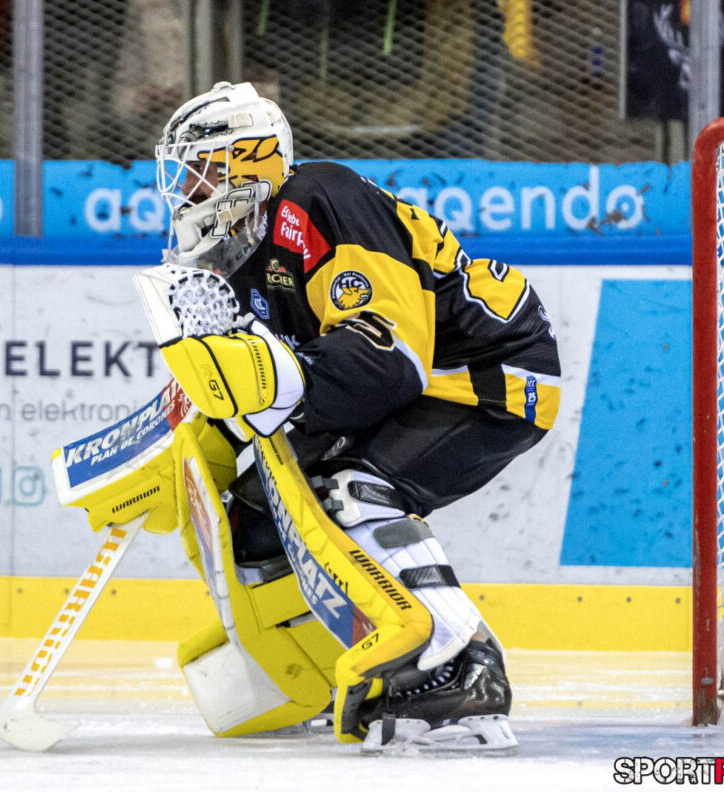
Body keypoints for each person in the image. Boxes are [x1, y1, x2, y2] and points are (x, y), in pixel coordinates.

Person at [151, 81, 560, 753]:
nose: (188, 188)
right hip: (424, 379)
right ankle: (312, 661)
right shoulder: (245, 248)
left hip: (487, 375)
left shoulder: (318, 199)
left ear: (245, 162)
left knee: (350, 486)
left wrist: (279, 378)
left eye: (200, 169)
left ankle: (457, 667)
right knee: (257, 511)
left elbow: (392, 357)